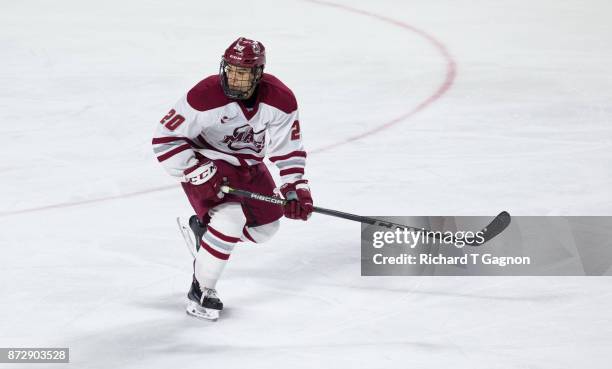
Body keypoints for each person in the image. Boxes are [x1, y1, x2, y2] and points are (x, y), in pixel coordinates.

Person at [152, 37, 313, 320]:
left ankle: (207, 236)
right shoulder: (204, 96)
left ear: (259, 74)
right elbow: (165, 138)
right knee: (230, 218)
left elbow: (288, 148)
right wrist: (193, 170)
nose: (235, 78)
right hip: (207, 162)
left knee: (266, 229)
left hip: (248, 165)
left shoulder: (280, 100)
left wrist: (294, 189)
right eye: (232, 70)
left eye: (244, 73)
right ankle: (201, 290)